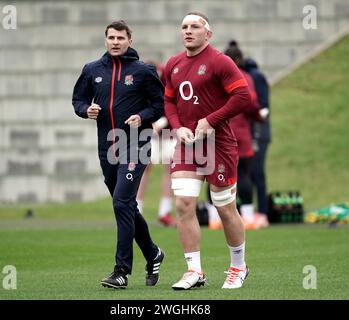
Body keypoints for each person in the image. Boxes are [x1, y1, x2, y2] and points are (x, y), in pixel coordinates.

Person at [72, 20, 165, 289]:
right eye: (111, 37)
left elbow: (160, 104)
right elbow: (78, 100)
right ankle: (153, 253)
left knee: (121, 203)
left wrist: (143, 115)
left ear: (129, 41)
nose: (115, 42)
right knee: (125, 205)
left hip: (137, 143)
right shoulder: (92, 70)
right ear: (105, 40)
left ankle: (121, 271)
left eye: (120, 38)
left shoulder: (143, 71)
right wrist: (84, 110)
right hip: (108, 147)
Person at [164, 12, 252, 289]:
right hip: (187, 145)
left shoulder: (220, 61)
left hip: (219, 144)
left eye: (194, 26)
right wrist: (177, 127)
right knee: (183, 204)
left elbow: (242, 96)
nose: (188, 31)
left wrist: (210, 120)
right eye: (184, 27)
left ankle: (238, 266)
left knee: (225, 208)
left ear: (208, 34)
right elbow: (169, 102)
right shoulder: (173, 64)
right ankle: (194, 271)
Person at [224, 42, 268, 230]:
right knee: (243, 174)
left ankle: (214, 218)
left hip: (220, 132)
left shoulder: (216, 75)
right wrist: (259, 116)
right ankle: (248, 217)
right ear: (240, 59)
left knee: (215, 176)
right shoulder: (246, 77)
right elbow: (249, 102)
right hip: (241, 132)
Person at [136, 61, 176, 227]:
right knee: (144, 169)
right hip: (149, 132)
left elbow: (172, 103)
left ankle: (164, 211)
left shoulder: (167, 81)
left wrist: (164, 120)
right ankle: (137, 210)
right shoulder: (140, 83)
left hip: (168, 133)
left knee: (169, 169)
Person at [242, 56, 271, 226]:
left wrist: (258, 124)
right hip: (252, 131)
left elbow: (262, 106)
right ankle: (254, 212)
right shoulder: (252, 75)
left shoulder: (255, 76)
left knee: (256, 173)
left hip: (258, 132)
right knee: (249, 173)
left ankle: (262, 213)